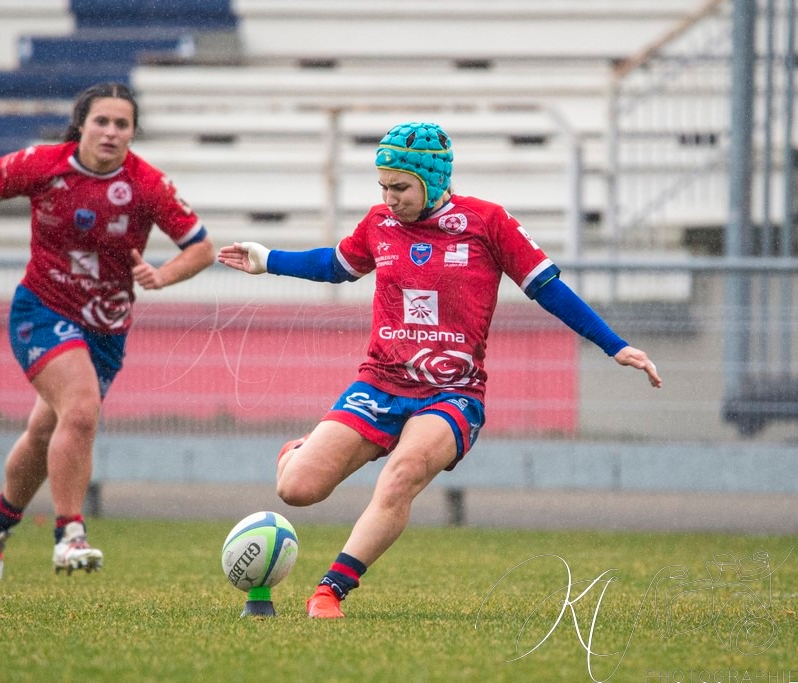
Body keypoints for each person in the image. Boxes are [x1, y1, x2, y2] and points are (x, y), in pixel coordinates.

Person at [217, 121, 662, 618]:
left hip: (452, 394)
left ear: (433, 180)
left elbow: (548, 288)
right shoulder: (379, 224)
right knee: (297, 490)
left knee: (401, 474)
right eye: (383, 186)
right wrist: (268, 259)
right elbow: (335, 266)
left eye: (401, 187)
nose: (390, 198)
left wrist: (614, 345)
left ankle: (330, 591)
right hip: (380, 382)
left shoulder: (488, 222)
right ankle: (298, 450)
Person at [0, 82, 215, 581]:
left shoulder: (148, 185)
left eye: (122, 124)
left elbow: (201, 248)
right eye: (102, 121)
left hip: (107, 327)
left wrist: (163, 274)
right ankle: (69, 535)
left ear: (133, 132)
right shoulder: (43, 164)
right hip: (42, 310)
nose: (111, 132)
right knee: (83, 411)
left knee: (48, 430)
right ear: (82, 125)